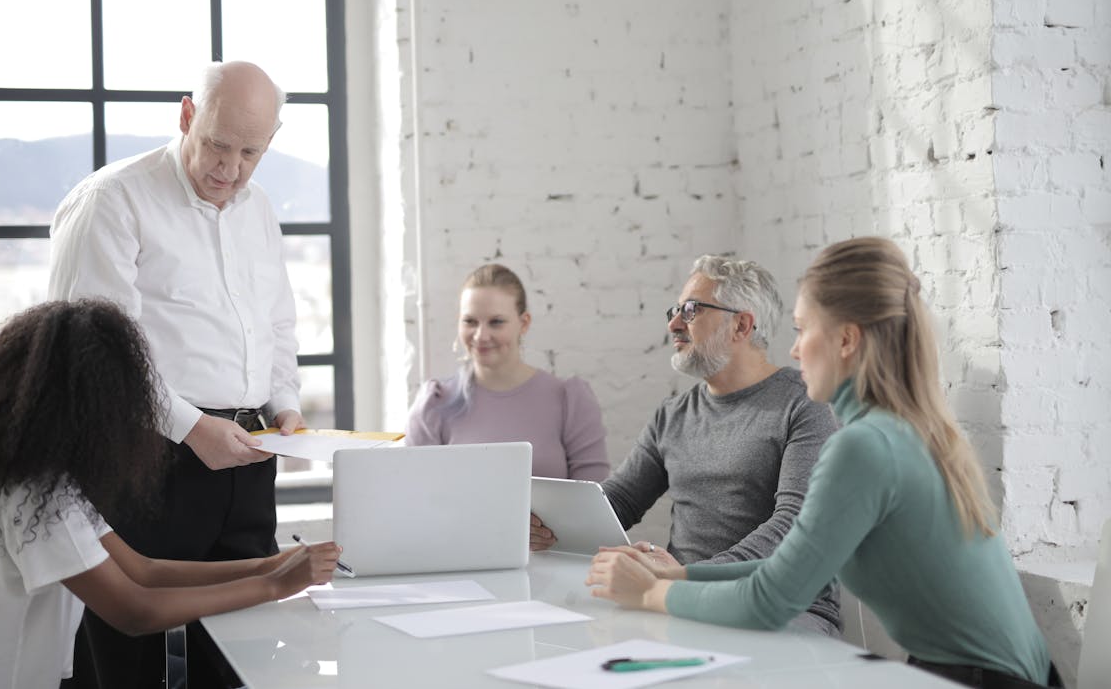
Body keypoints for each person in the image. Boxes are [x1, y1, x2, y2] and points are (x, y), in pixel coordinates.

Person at [587, 238, 1058, 688]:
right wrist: (676, 574)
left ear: (846, 340)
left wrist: (650, 593)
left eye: (801, 329)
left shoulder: (864, 446)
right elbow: (784, 572)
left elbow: (770, 600)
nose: (793, 350)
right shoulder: (897, 430)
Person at [0, 300, 340, 689]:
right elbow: (135, 611)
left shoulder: (39, 478)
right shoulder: (33, 497)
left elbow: (144, 570)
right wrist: (276, 585)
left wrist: (274, 564)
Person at [47, 60, 304, 687]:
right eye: (218, 144)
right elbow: (96, 352)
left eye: (251, 152)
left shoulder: (258, 206)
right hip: (144, 456)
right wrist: (191, 428)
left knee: (243, 645)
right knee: (125, 658)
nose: (231, 168)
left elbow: (275, 323)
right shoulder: (114, 199)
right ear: (187, 116)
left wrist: (285, 404)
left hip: (247, 457)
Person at [531, 254, 841, 635]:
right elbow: (619, 501)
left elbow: (792, 526)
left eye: (691, 310)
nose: (674, 324)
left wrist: (681, 576)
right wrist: (548, 525)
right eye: (674, 311)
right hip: (679, 599)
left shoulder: (803, 404)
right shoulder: (673, 414)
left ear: (741, 325)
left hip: (786, 606)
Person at [406, 263, 610, 481]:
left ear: (523, 323)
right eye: (470, 321)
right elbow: (415, 495)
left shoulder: (569, 400)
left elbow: (592, 498)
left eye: (496, 322)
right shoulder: (434, 404)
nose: (481, 336)